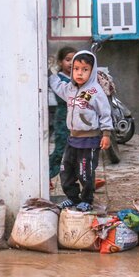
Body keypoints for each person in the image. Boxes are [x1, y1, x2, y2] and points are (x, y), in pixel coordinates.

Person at [48, 50, 113, 212]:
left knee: (85, 173)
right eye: (76, 69)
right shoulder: (69, 89)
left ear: (91, 72)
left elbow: (105, 113)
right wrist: (48, 72)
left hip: (90, 141)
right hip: (72, 139)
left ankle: (86, 199)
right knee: (65, 171)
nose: (79, 73)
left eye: (85, 70)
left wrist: (106, 134)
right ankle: (72, 198)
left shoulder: (96, 92)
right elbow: (57, 85)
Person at [49, 47, 76, 189]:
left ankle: (83, 178)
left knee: (79, 150)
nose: (71, 63)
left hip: (77, 119)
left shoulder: (79, 77)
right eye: (67, 60)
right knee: (61, 149)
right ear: (60, 62)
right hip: (63, 118)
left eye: (74, 59)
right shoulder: (57, 79)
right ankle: (46, 175)